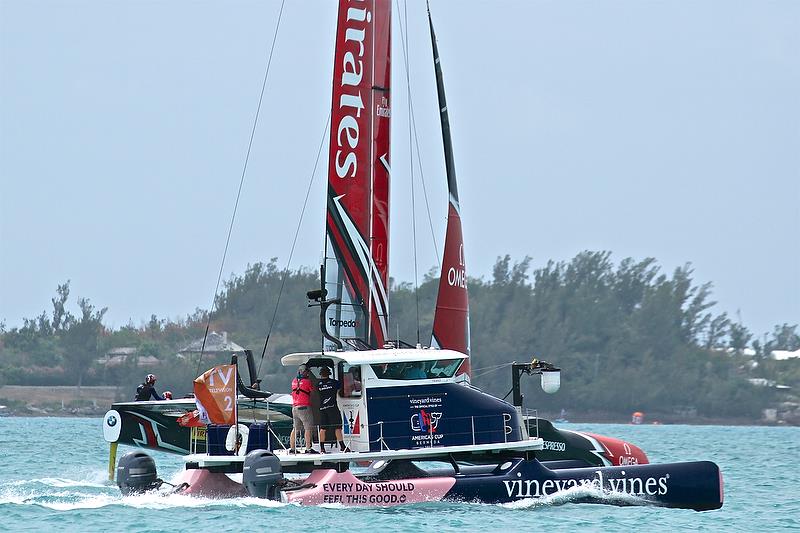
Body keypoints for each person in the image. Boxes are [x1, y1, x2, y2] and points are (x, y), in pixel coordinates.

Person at [316, 367, 347, 453]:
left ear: (320, 374)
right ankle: (342, 446)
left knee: (323, 428)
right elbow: (341, 388)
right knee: (337, 427)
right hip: (332, 407)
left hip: (322, 408)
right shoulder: (334, 383)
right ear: (329, 373)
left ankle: (321, 448)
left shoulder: (318, 384)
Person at [289, 364, 317, 454]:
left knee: (295, 428)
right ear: (305, 371)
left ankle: (292, 448)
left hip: (295, 408)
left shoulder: (294, 381)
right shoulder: (307, 382)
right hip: (304, 407)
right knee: (308, 428)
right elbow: (313, 391)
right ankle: (308, 448)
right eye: (307, 371)